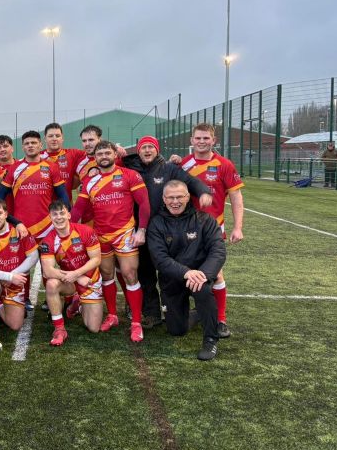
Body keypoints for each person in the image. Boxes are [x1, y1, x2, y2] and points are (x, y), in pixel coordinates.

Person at [122, 135, 212, 329]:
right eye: (143, 147)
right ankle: (152, 313)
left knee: (167, 270)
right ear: (138, 150)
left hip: (165, 229)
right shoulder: (129, 167)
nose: (147, 150)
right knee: (145, 273)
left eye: (150, 147)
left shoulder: (169, 168)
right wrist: (118, 150)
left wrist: (204, 192)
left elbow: (190, 181)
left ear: (157, 149)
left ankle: (172, 307)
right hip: (139, 229)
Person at [70, 141, 150, 342]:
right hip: (100, 236)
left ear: (115, 154)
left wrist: (141, 230)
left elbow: (144, 203)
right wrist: (70, 229)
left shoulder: (129, 175)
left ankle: (136, 323)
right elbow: (79, 208)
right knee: (106, 275)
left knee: (130, 275)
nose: (104, 156)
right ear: (95, 157)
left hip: (125, 235)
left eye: (107, 152)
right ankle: (113, 315)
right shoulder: (90, 181)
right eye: (100, 153)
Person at [147, 180, 226, 360]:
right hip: (173, 280)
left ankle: (210, 339)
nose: (175, 201)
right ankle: (199, 314)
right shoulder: (156, 223)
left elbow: (218, 251)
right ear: (164, 199)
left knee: (203, 290)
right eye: (171, 198)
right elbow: (160, 259)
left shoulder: (205, 219)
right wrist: (185, 272)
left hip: (199, 277)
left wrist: (203, 275)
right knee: (176, 330)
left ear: (188, 197)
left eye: (180, 197)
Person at [179, 123, 244, 338]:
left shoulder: (224, 165)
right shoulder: (184, 164)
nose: (201, 142)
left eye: (206, 138)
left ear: (213, 141)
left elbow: (235, 196)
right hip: (185, 227)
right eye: (198, 138)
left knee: (215, 273)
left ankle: (220, 319)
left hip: (213, 228)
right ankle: (196, 310)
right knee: (186, 269)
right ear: (191, 140)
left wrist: (238, 227)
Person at [0, 198, 38, 352]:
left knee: (15, 325)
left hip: (14, 281)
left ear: (6, 214)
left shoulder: (20, 231)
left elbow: (34, 256)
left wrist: (13, 275)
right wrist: (7, 277)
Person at [40, 201, 104, 343]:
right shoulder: (48, 241)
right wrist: (76, 277)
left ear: (69, 215)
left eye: (62, 213)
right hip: (70, 282)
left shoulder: (85, 231)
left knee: (93, 327)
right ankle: (59, 329)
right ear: (50, 217)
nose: (59, 217)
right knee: (51, 284)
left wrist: (77, 273)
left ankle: (78, 305)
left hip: (90, 280)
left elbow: (96, 259)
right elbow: (48, 270)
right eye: (54, 215)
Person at [0, 130, 70, 240]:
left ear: (40, 145)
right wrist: (14, 222)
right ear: (23, 147)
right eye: (27, 143)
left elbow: (64, 197)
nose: (30, 146)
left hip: (48, 227)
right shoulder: (14, 168)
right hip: (21, 228)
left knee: (48, 257)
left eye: (34, 143)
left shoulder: (52, 167)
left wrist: (61, 219)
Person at [40, 122, 87, 203]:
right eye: (50, 136)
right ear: (45, 138)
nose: (54, 139)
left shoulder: (73, 154)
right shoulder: (38, 157)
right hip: (44, 208)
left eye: (57, 136)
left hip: (65, 208)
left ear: (62, 138)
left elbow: (96, 154)